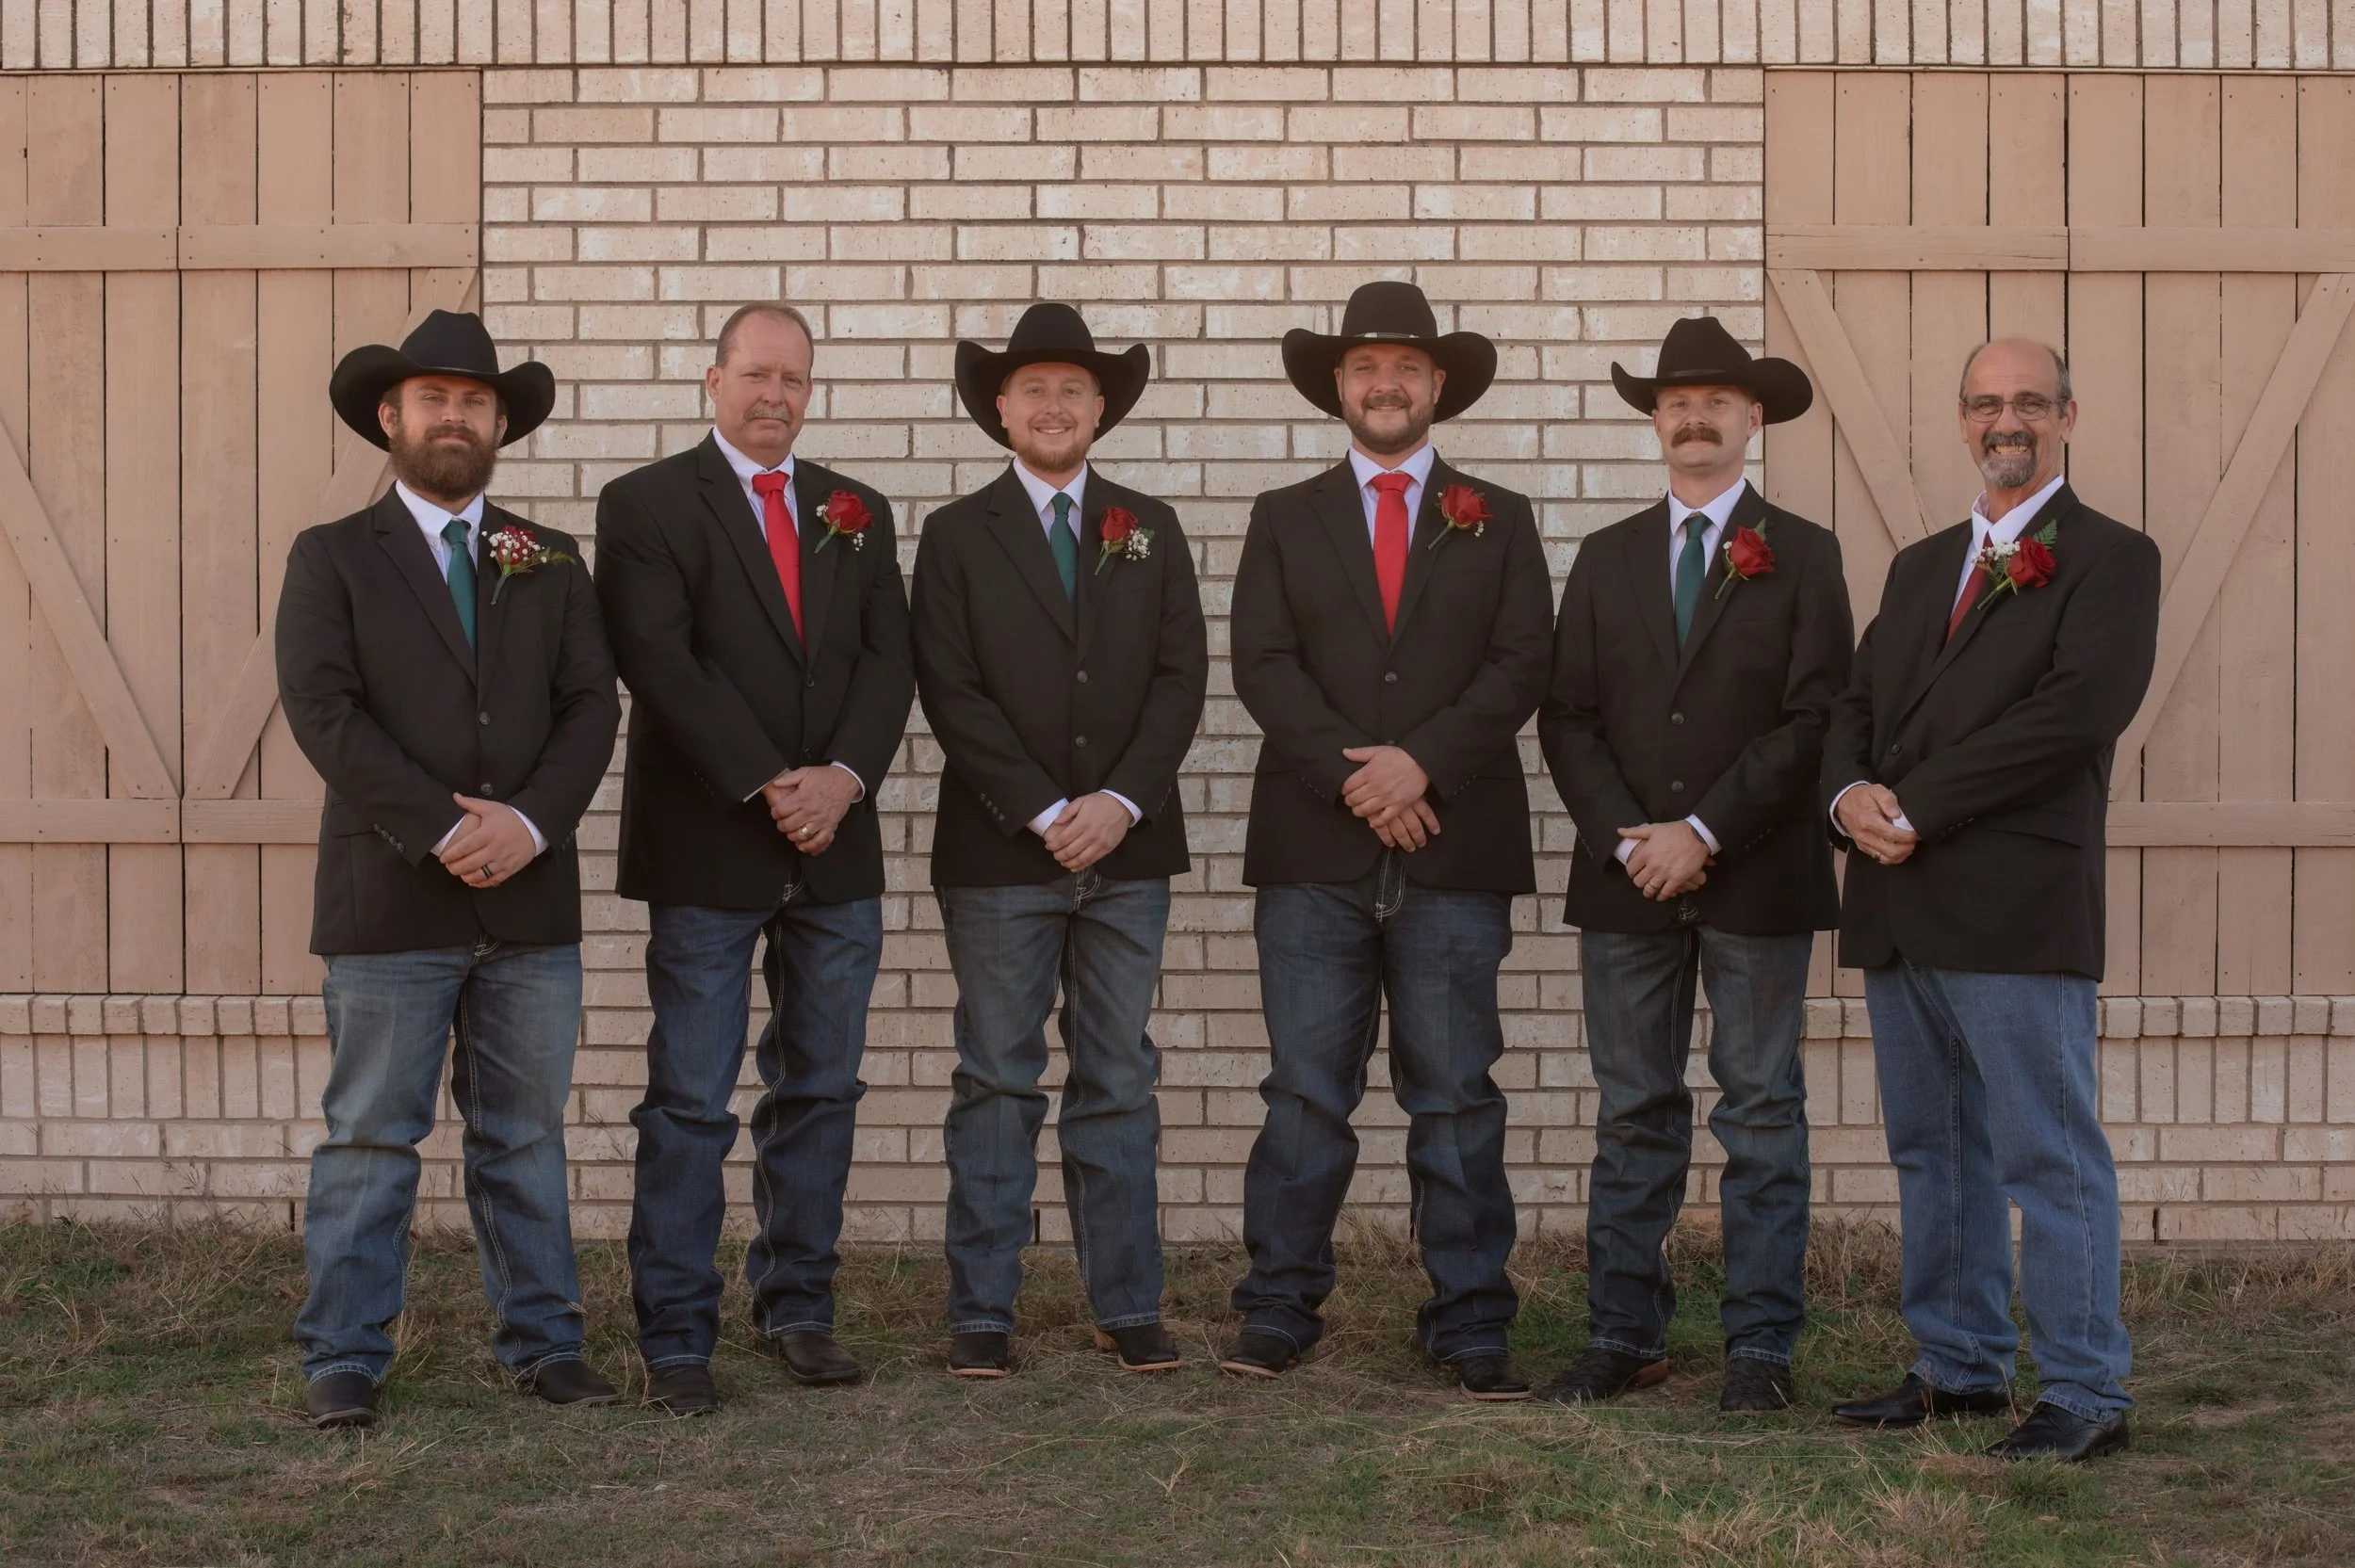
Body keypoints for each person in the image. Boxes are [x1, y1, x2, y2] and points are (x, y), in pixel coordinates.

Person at [279, 310, 623, 1429]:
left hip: (530, 899)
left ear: (499, 424)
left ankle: (541, 1341)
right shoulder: (332, 555)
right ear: (392, 416)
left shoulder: (552, 557)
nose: (455, 417)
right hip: (389, 896)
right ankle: (343, 1353)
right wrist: (441, 826)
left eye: (475, 402)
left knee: (522, 1135)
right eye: (434, 399)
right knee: (372, 1138)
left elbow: (590, 706)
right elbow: (324, 711)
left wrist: (528, 824)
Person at [1824, 339, 2159, 1463]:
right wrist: (1846, 797)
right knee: (1932, 1147)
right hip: (1895, 898)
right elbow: (1855, 702)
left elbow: (2073, 716)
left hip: (2014, 902)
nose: (2003, 419)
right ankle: (1959, 1367)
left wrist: (1913, 803)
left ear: (2068, 414)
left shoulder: (2114, 557)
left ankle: (2083, 1391)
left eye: (2026, 401)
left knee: (2045, 1155)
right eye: (1983, 404)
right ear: (1960, 422)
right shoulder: (1922, 566)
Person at [1221, 281, 1553, 1401]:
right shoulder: (1284, 516)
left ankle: (1467, 1319)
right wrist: (1365, 781)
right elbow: (1263, 665)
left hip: (1456, 852)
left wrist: (1427, 765)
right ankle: (1278, 1307)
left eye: (1405, 366)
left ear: (1437, 386)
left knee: (1456, 1094)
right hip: (1315, 850)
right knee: (1306, 1091)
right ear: (1338, 386)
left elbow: (1521, 663)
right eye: (1366, 366)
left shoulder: (1499, 517)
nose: (1385, 382)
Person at [595, 303, 915, 1415]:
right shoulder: (642, 505)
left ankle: (797, 1308)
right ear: (712, 380)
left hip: (837, 845)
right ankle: (677, 1332)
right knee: (690, 1098)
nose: (775, 395)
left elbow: (890, 663)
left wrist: (843, 780)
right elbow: (660, 659)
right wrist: (773, 782)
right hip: (710, 841)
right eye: (757, 374)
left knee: (820, 1088)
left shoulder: (857, 512)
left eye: (795, 379)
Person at [1537, 315, 1853, 1413]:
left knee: (1760, 1109)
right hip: (1625, 878)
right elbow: (1567, 715)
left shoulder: (1802, 551)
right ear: (1656, 421)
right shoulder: (1606, 555)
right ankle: (1624, 1334)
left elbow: (1816, 715)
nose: (1694, 417)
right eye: (1676, 402)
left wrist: (1703, 831)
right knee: (1632, 1111)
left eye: (1716, 401)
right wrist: (1632, 834)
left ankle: (1759, 1349)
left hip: (1755, 874)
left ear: (1752, 417)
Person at [911, 303, 1209, 1379]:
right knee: (996, 1077)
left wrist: (1118, 803)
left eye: (1073, 391)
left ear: (1100, 411)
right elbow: (951, 688)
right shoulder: (954, 535)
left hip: (1128, 854)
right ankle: (981, 1309)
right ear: (1000, 407)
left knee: (1118, 1077)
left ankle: (1127, 1302)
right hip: (1002, 855)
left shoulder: (1149, 525)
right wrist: (1045, 811)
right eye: (1033, 389)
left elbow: (1181, 680)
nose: (1052, 405)